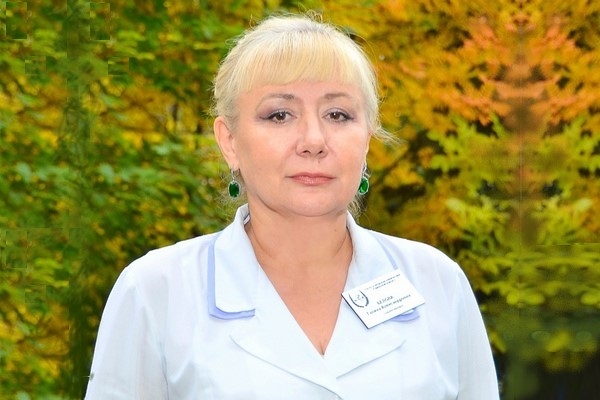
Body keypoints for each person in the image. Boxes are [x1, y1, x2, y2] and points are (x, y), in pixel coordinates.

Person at [85, 13, 500, 399]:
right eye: (280, 115)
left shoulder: (436, 283)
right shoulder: (155, 291)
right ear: (229, 141)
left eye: (338, 114)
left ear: (367, 138)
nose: (314, 140)